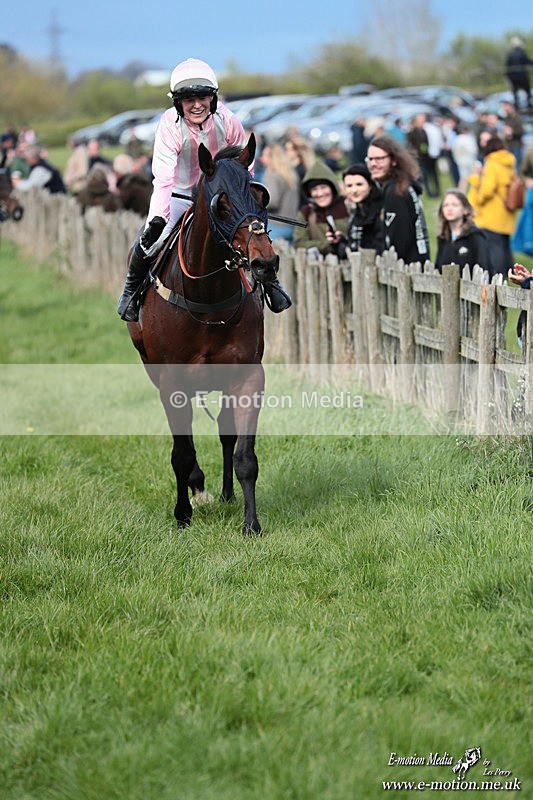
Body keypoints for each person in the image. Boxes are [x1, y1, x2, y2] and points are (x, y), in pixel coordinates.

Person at [117, 58, 291, 320]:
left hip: (220, 198)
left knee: (253, 232)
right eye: (189, 98)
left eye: (203, 97)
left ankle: (271, 284)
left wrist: (244, 199)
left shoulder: (228, 119)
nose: (197, 104)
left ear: (213, 98)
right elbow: (163, 179)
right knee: (152, 239)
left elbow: (246, 163)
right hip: (178, 195)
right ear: (178, 102)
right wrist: (158, 218)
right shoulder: (169, 126)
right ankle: (131, 292)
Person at [365, 133, 430, 264]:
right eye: (370, 159)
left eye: (379, 159)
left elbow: (399, 240)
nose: (373, 164)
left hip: (407, 269)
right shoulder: (403, 185)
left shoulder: (396, 192)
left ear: (394, 160)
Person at [466, 135, 517, 277]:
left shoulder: (492, 163)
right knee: (504, 246)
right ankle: (510, 273)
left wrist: (478, 189)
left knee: (495, 248)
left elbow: (487, 190)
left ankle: (498, 275)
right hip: (506, 211)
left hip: (492, 213)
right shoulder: (508, 163)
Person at [325, 163, 384, 259]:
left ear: (370, 185)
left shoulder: (380, 212)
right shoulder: (357, 213)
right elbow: (351, 252)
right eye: (349, 186)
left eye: (359, 184)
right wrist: (338, 242)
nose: (354, 190)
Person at [293, 160, 349, 256]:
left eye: (323, 187)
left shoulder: (347, 206)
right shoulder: (306, 213)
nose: (320, 193)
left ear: (332, 187)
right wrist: (328, 244)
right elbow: (300, 243)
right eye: (314, 189)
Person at [435, 189, 490, 272]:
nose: (449, 209)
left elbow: (485, 267)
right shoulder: (443, 238)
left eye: (455, 205)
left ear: (465, 210)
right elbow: (438, 268)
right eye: (445, 205)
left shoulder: (475, 236)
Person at [259, 143, 299, 242]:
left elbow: (272, 202)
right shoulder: (290, 174)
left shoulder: (273, 176)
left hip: (276, 225)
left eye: (264, 155)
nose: (261, 158)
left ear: (272, 157)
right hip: (290, 224)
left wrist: (256, 201)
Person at [505, 36, 533, 110]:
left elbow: (507, 66)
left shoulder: (510, 54)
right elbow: (528, 61)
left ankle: (517, 105)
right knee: (527, 89)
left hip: (513, 76)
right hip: (522, 75)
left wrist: (508, 76)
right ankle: (529, 104)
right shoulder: (522, 52)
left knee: (515, 91)